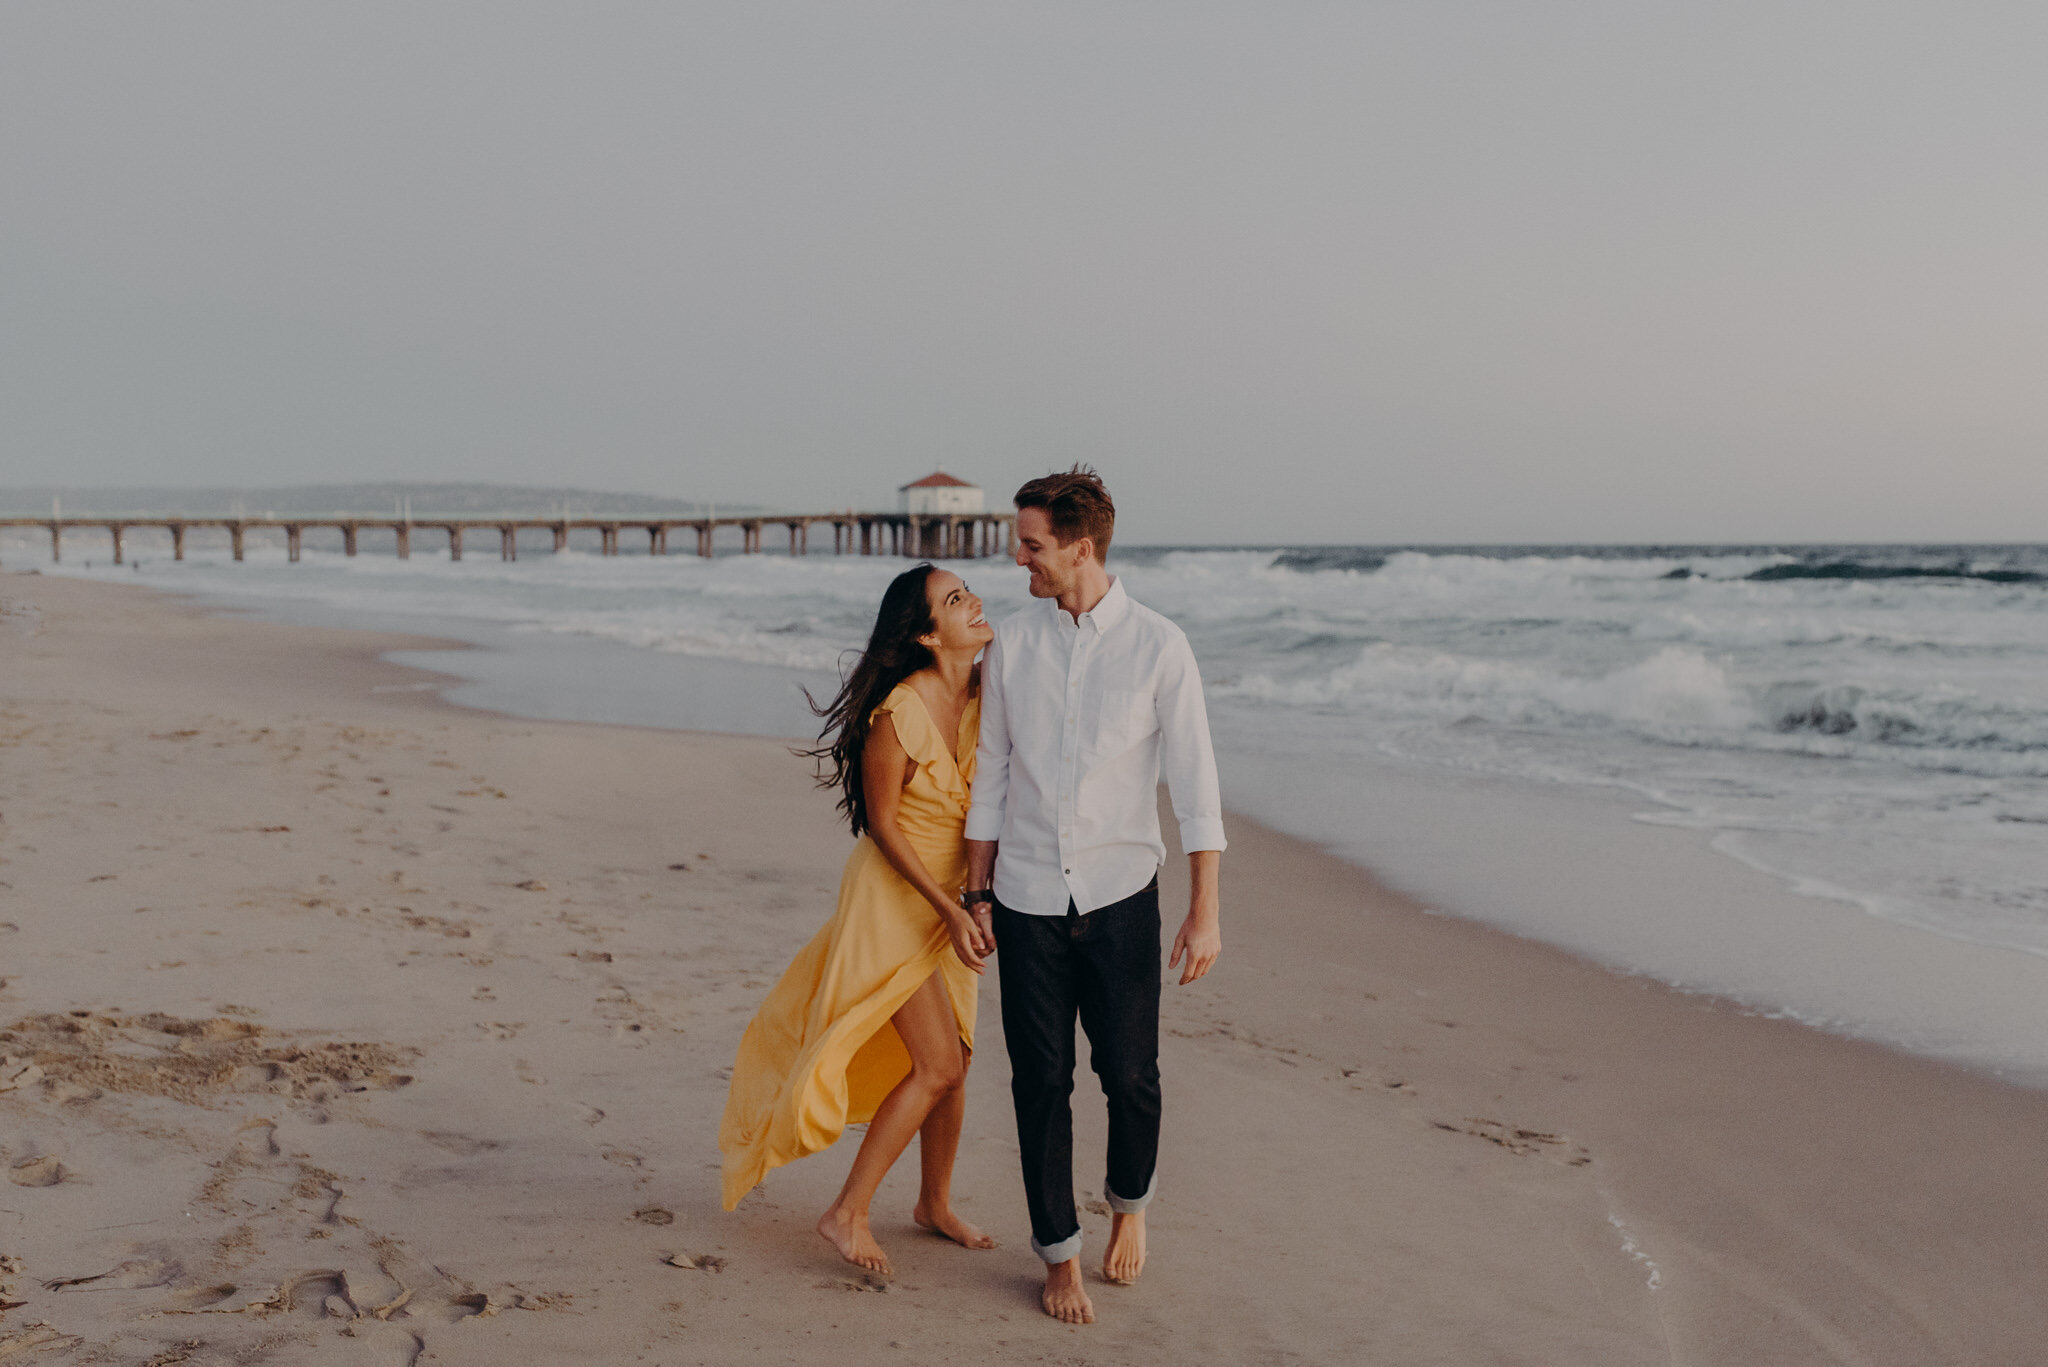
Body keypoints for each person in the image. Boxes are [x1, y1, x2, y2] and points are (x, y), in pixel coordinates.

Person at [962, 466, 1226, 1324]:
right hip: (1029, 895)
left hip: (1121, 897)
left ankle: (1130, 1201)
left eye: (1031, 545)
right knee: (1039, 1083)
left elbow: (1195, 786)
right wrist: (977, 893)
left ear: (1079, 546)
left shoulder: (1160, 646)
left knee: (1131, 1074)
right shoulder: (1014, 643)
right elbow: (992, 777)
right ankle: (1060, 1255)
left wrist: (1205, 907)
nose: (1019, 561)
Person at [719, 563, 999, 1275]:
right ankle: (846, 1211)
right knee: (935, 1064)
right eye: (956, 599)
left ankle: (933, 1203)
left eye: (969, 591)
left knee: (956, 1060)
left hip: (946, 905)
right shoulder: (900, 711)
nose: (976, 603)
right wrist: (948, 904)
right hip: (893, 903)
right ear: (929, 633)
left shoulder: (982, 697)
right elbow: (882, 828)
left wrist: (975, 896)